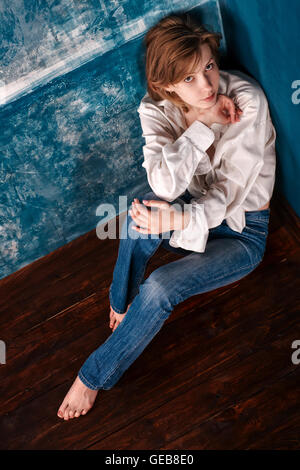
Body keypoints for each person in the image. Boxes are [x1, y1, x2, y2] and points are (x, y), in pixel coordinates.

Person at [57, 12, 276, 420]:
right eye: (189, 79)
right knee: (141, 210)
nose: (208, 86)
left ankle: (92, 376)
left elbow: (229, 197)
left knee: (160, 288)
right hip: (192, 208)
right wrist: (205, 123)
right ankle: (120, 303)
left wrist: (174, 221)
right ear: (166, 84)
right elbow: (164, 182)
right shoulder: (155, 108)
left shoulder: (247, 100)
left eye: (209, 66)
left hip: (244, 233)